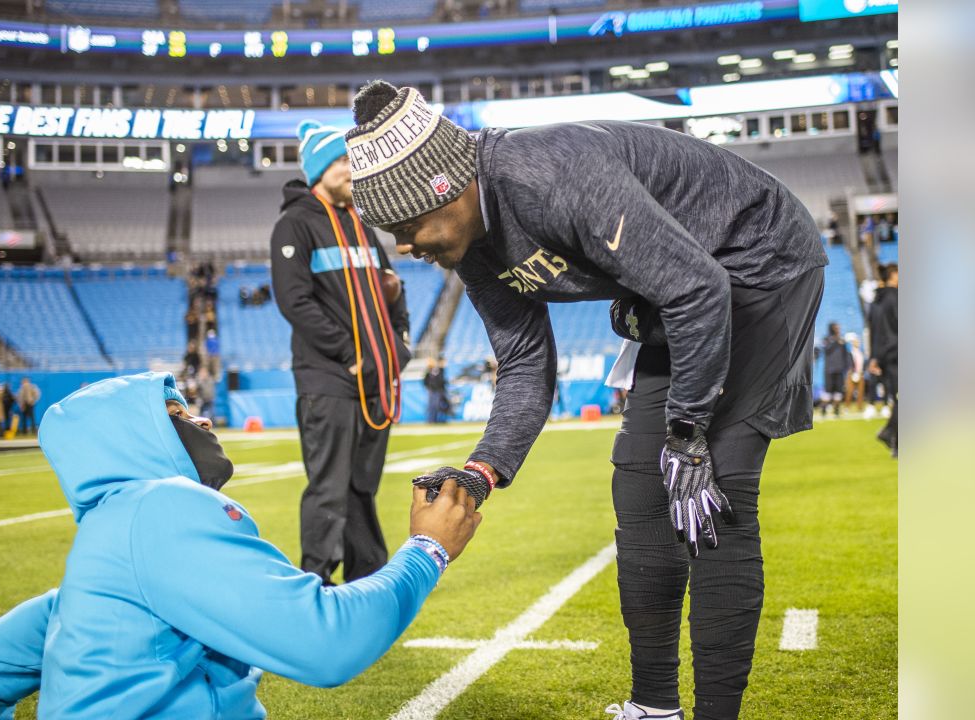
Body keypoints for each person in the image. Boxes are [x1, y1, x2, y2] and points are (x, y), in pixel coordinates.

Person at [344, 81, 827, 720]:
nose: (404, 248)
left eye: (405, 228)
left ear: (442, 186)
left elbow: (699, 289)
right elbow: (523, 362)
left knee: (714, 491)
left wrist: (688, 433)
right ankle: (655, 705)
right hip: (684, 291)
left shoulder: (548, 176)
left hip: (761, 265)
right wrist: (482, 470)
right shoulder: (474, 244)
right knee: (640, 486)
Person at [0, 372, 481, 719]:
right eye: (175, 414)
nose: (200, 419)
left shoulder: (112, 542)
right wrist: (427, 550)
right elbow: (326, 642)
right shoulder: (159, 508)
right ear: (133, 438)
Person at [270, 119, 413, 585]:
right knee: (329, 488)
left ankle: (367, 579)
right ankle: (315, 581)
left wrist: (400, 342)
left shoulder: (361, 224)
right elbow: (295, 302)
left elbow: (393, 287)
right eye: (342, 161)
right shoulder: (294, 224)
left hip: (374, 377)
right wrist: (349, 353)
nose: (353, 169)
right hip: (328, 377)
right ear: (318, 169)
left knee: (361, 488)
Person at [869, 263, 899, 457]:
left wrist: (874, 357)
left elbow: (875, 331)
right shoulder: (895, 297)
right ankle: (890, 434)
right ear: (893, 276)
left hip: (886, 355)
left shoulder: (876, 300)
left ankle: (894, 439)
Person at [818, 322, 850, 418]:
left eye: (839, 327)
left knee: (838, 391)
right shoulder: (826, 339)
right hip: (829, 369)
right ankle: (823, 410)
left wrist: (847, 367)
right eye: (836, 328)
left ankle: (836, 410)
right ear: (832, 328)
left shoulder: (842, 340)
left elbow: (845, 354)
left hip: (839, 369)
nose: (838, 329)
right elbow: (827, 349)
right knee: (828, 390)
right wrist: (836, 341)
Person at [843, 332, 866, 413]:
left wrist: (860, 372)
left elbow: (862, 363)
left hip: (860, 374)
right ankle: (847, 407)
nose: (857, 343)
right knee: (849, 391)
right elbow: (848, 363)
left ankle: (860, 407)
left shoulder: (861, 353)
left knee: (861, 392)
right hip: (851, 374)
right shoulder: (850, 353)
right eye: (856, 342)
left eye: (858, 342)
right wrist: (851, 372)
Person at [423, 357, 449, 424]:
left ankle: (439, 420)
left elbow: (441, 380)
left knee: (440, 406)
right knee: (433, 406)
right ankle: (432, 420)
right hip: (434, 391)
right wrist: (429, 387)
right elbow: (425, 381)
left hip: (440, 391)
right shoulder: (430, 371)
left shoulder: (439, 371)